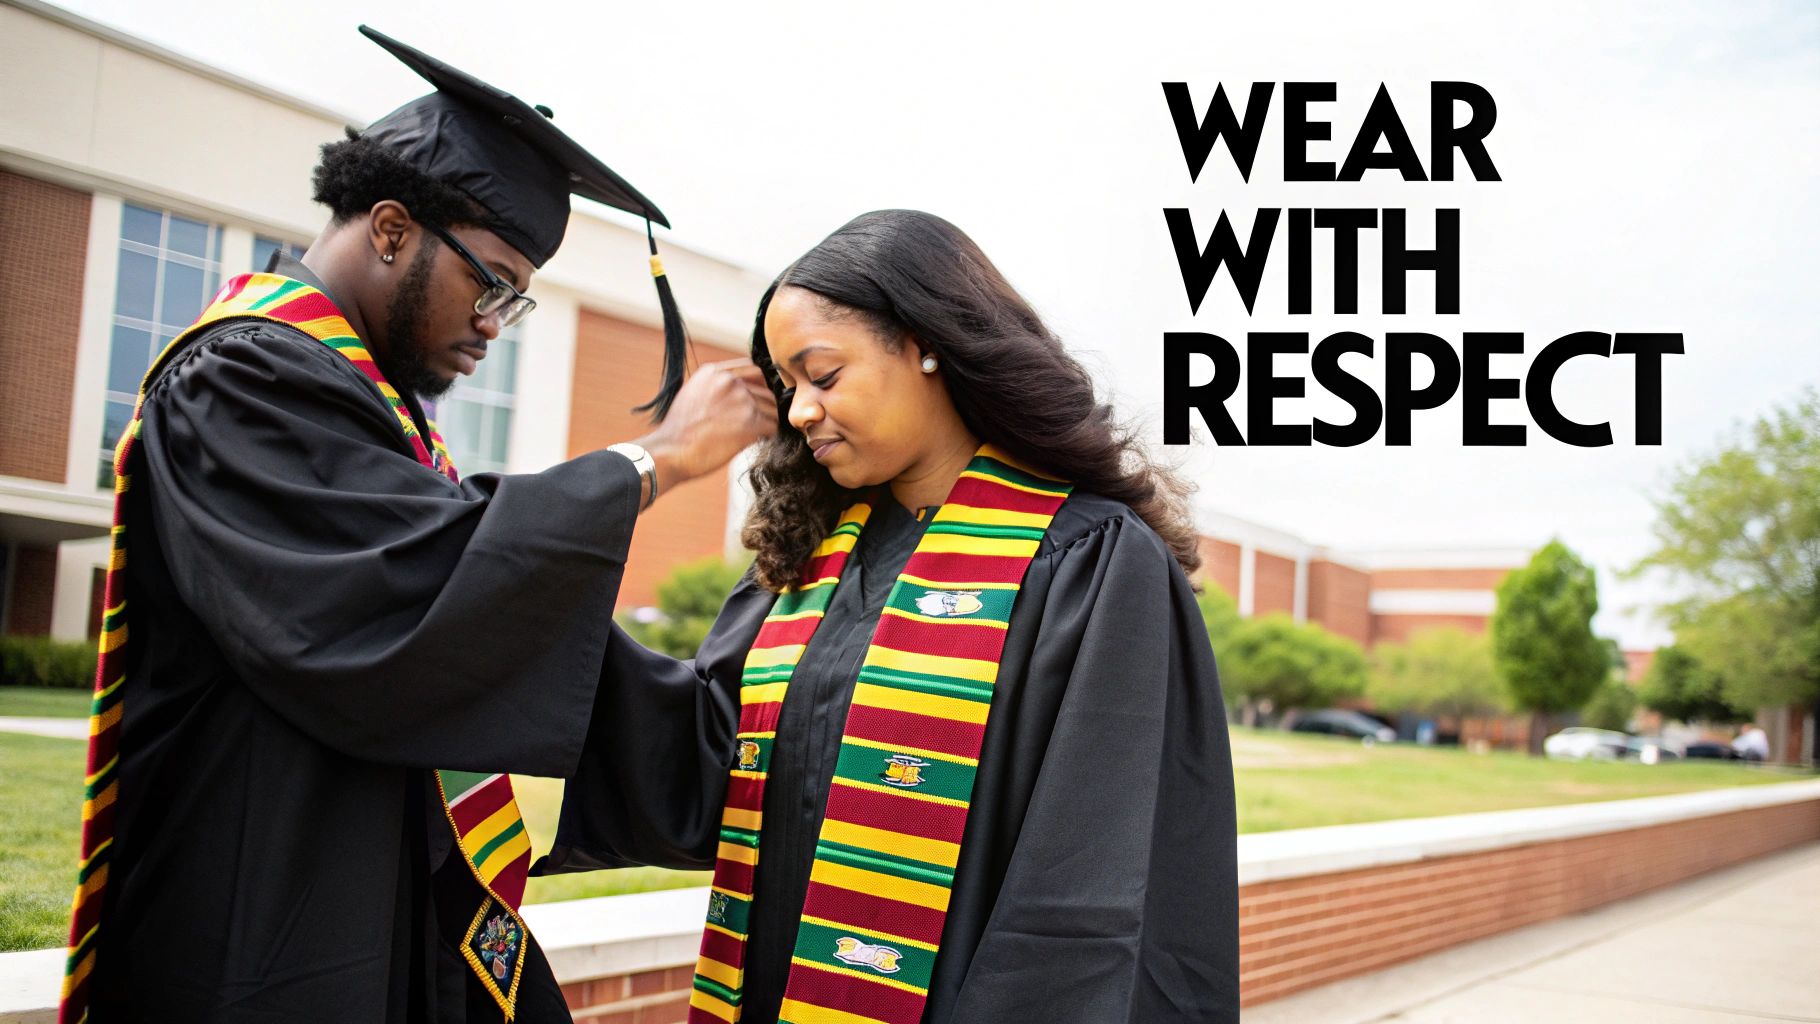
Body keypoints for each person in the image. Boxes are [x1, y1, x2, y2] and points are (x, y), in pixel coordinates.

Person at [60, 27, 774, 1024]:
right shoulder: (242, 377)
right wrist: (658, 461)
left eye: (515, 299)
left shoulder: (369, 410)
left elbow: (489, 614)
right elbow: (404, 597)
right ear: (391, 228)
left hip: (359, 894)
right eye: (490, 280)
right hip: (256, 907)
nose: (495, 318)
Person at [541, 210, 1240, 1023]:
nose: (799, 411)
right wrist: (544, 602)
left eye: (824, 376)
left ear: (925, 344)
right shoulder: (806, 565)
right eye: (788, 386)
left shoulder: (1090, 563)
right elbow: (711, 774)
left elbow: (1092, 889)